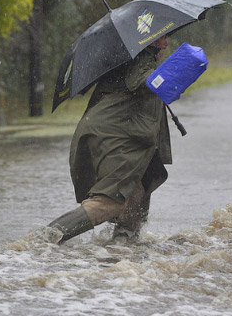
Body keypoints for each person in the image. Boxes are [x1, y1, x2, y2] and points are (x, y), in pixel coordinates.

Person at [45, 33, 171, 244]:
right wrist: (176, 74)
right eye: (160, 39)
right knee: (111, 200)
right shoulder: (141, 60)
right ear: (148, 43)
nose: (165, 43)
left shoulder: (130, 59)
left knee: (137, 192)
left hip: (115, 134)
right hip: (115, 138)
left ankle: (123, 248)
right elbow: (145, 81)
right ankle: (47, 237)